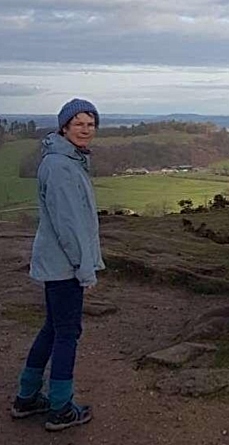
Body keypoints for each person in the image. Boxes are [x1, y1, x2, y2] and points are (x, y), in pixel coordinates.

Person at [11, 98, 104, 431]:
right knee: (67, 333)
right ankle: (61, 407)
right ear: (64, 126)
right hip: (64, 266)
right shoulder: (62, 166)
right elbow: (69, 225)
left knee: (53, 328)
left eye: (91, 124)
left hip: (58, 264)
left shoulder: (66, 160)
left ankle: (27, 397)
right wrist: (84, 268)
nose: (86, 129)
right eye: (79, 123)